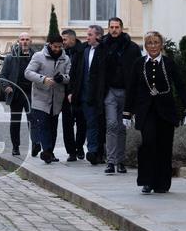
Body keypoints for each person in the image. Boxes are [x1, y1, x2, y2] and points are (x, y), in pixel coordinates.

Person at [123, 31, 186, 193]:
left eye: (156, 42)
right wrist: (127, 112)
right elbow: (132, 89)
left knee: (164, 147)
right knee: (148, 144)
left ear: (161, 45)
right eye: (150, 43)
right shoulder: (139, 63)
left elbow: (181, 87)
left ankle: (162, 183)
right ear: (146, 46)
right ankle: (147, 181)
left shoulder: (169, 63)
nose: (153, 46)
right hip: (146, 112)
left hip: (166, 112)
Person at [101, 17, 141, 175]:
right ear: (108, 28)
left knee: (122, 127)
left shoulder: (132, 48)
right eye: (111, 27)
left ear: (122, 28)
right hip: (109, 90)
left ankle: (121, 161)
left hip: (126, 91)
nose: (114, 30)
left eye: (117, 27)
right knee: (111, 125)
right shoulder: (103, 46)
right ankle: (110, 161)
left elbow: (138, 71)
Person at [25, 34, 71, 164]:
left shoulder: (65, 58)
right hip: (41, 97)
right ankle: (46, 151)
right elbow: (28, 72)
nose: (57, 49)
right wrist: (43, 79)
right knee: (44, 125)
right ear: (49, 44)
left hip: (57, 98)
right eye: (55, 46)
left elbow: (70, 75)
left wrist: (62, 78)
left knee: (53, 126)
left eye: (60, 46)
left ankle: (49, 151)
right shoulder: (39, 56)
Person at [68, 24, 107, 165]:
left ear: (98, 36)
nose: (87, 37)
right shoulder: (83, 50)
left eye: (90, 34)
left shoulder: (104, 51)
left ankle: (93, 151)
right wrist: (72, 91)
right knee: (85, 123)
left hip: (97, 94)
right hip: (82, 93)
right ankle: (90, 150)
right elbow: (75, 72)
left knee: (94, 124)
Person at [0, 32, 36, 157]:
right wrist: (6, 86)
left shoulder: (36, 56)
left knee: (33, 120)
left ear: (31, 42)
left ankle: (36, 144)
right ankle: (15, 147)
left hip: (31, 93)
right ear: (18, 41)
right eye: (22, 39)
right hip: (16, 94)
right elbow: (2, 76)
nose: (25, 41)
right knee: (15, 122)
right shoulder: (10, 57)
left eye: (27, 39)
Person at [60, 29, 86, 161]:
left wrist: (74, 92)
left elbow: (81, 74)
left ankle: (80, 146)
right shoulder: (62, 52)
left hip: (79, 93)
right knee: (67, 124)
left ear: (72, 39)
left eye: (64, 39)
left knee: (82, 123)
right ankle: (71, 151)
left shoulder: (82, 52)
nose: (62, 42)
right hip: (65, 93)